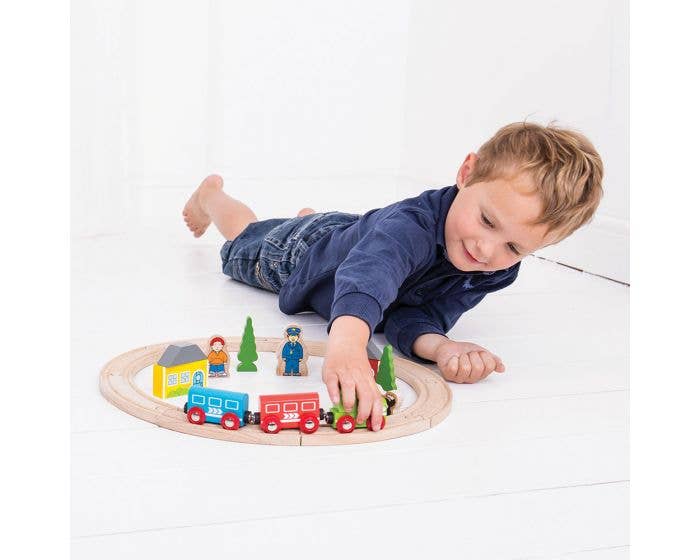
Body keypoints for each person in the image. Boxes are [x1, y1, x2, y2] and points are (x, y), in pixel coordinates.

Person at [182, 121, 603, 430]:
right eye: (488, 221)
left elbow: (419, 315)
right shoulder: (409, 228)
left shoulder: (494, 269)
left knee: (354, 238)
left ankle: (316, 221)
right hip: (300, 254)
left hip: (359, 234)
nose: (486, 250)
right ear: (466, 174)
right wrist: (348, 345)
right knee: (244, 235)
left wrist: (442, 348)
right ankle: (211, 196)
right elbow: (370, 275)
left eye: (514, 248)